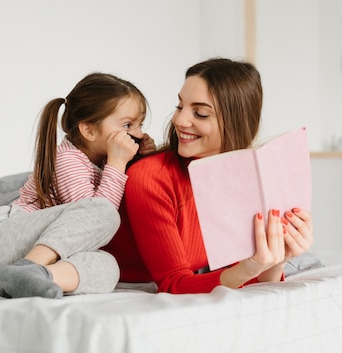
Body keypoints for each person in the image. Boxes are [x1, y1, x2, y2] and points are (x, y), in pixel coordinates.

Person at [104, 58, 313, 294]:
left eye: (200, 113)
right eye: (179, 106)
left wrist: (279, 258)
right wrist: (249, 267)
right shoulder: (150, 176)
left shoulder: (244, 179)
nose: (180, 120)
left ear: (235, 122)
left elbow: (245, 277)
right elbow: (174, 283)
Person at [0, 72, 155, 298]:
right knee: (102, 211)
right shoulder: (68, 160)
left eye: (140, 124)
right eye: (128, 125)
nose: (138, 133)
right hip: (2, 248)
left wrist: (139, 159)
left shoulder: (102, 162)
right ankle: (26, 268)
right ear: (88, 130)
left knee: (109, 266)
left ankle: (41, 277)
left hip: (16, 267)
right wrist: (118, 162)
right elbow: (97, 214)